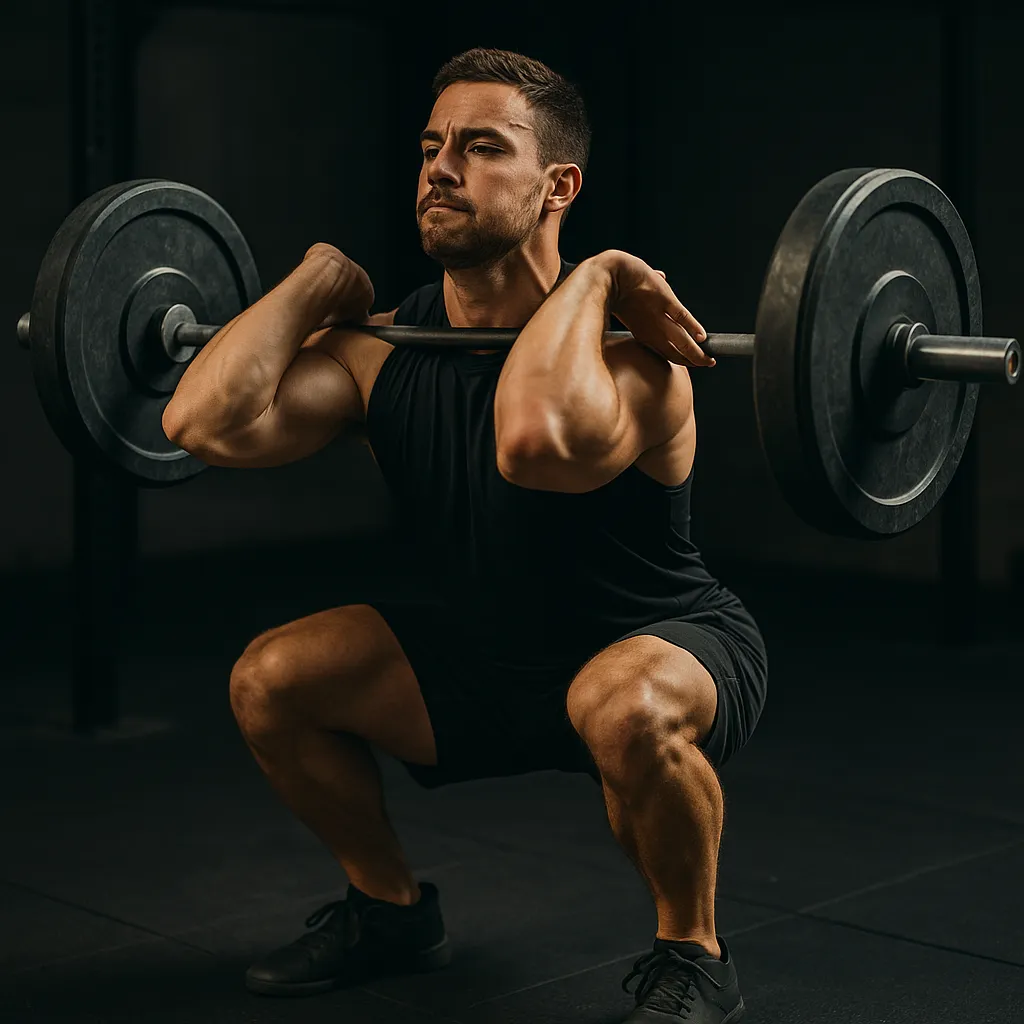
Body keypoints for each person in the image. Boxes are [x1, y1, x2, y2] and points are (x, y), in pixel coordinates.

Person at [163, 46, 766, 1024]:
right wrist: (313, 285)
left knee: (620, 703)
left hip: (654, 639)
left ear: (557, 185)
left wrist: (603, 273)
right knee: (272, 677)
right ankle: (391, 911)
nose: (441, 167)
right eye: (431, 145)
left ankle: (692, 954)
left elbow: (530, 442)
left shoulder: (642, 365)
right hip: (484, 652)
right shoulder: (383, 350)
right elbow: (202, 426)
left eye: (484, 147)